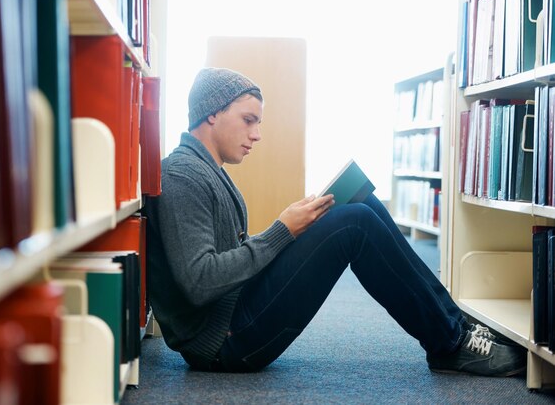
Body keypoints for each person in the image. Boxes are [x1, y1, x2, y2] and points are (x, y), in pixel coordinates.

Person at [144, 67, 526, 376]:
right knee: (353, 222)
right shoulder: (182, 175)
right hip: (223, 342)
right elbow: (199, 281)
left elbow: (223, 261)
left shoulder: (206, 169)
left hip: (235, 311)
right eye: (248, 120)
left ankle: (452, 325)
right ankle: (451, 344)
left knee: (361, 202)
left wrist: (295, 226)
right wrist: (282, 232)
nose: (256, 134)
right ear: (212, 112)